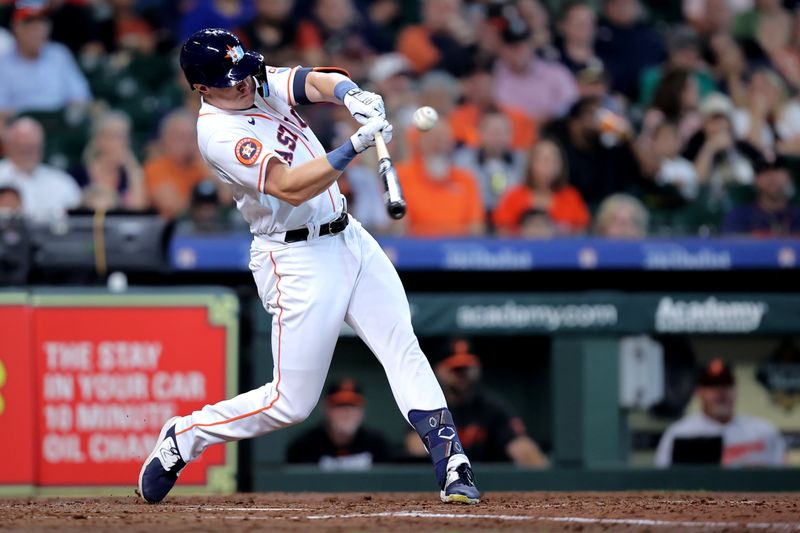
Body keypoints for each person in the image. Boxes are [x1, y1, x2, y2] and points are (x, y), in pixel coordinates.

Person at [138, 28, 480, 505]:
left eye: (242, 72)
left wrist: (351, 94)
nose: (243, 83)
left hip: (347, 235)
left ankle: (452, 463)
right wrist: (355, 147)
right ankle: (185, 436)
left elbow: (311, 82)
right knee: (290, 403)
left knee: (401, 344)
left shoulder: (252, 78)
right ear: (202, 87)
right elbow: (291, 186)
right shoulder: (217, 133)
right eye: (229, 79)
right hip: (294, 257)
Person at [405, 339, 549, 467]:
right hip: (444, 483)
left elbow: (522, 448)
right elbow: (415, 448)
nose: (463, 375)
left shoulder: (492, 408)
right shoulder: (429, 406)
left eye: (467, 368)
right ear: (439, 371)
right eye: (455, 369)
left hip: (490, 485)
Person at [655, 358, 787, 467]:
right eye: (712, 385)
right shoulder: (680, 433)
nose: (720, 391)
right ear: (699, 391)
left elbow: (783, 479)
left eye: (726, 384)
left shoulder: (764, 430)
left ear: (735, 390)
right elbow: (664, 481)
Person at [0, 5, 91, 122]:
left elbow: (80, 95)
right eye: (30, 26)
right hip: (21, 123)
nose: (36, 31)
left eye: (40, 26)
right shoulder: (4, 62)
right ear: (16, 28)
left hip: (59, 121)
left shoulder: (59, 54)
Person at [395, 120, 486, 236]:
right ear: (419, 142)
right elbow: (399, 225)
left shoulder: (466, 179)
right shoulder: (401, 175)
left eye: (443, 138)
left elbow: (476, 225)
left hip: (457, 250)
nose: (437, 143)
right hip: (415, 247)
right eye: (432, 137)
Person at [287, 378, 392, 470]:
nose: (347, 412)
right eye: (339, 405)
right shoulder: (304, 446)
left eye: (353, 406)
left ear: (362, 410)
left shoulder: (377, 444)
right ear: (326, 409)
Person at [492, 138, 590, 236]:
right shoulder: (514, 196)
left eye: (554, 160)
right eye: (544, 160)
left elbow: (581, 233)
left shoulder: (571, 197)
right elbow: (502, 233)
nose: (549, 165)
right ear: (531, 163)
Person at [492, 16, 578, 123]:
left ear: (531, 45)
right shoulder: (494, 75)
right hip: (512, 132)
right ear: (501, 48)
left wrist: (550, 113)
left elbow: (571, 99)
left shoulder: (555, 71)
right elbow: (498, 107)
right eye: (512, 46)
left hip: (553, 129)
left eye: (522, 45)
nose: (518, 51)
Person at [0, 117, 81, 223]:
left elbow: (77, 222)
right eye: (21, 147)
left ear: (42, 147)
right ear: (8, 146)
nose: (28, 152)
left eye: (33, 147)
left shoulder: (62, 182)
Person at [70, 111, 147, 211]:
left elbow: (138, 214)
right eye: (116, 135)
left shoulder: (129, 175)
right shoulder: (77, 175)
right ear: (98, 139)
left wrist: (134, 173)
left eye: (125, 136)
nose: (123, 142)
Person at [144, 110, 214, 220]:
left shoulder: (202, 165)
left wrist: (202, 160)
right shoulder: (156, 167)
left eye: (190, 136)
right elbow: (171, 206)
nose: (185, 142)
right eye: (179, 137)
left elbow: (227, 197)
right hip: (172, 230)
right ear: (165, 139)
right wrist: (203, 198)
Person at [722, 156, 800, 235]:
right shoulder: (739, 217)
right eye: (764, 170)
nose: (771, 176)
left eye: (777, 168)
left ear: (789, 175)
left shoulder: (797, 215)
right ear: (754, 179)